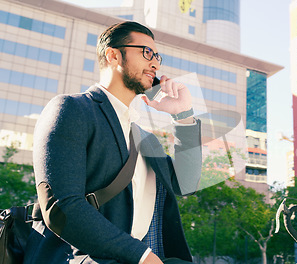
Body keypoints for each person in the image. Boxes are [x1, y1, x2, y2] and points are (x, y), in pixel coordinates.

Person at [24, 21, 202, 264]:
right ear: (114, 55)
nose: (156, 63)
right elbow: (62, 207)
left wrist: (183, 115)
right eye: (147, 52)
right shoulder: (72, 109)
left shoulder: (145, 138)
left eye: (158, 56)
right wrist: (141, 256)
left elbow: (187, 184)